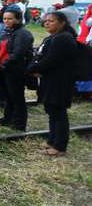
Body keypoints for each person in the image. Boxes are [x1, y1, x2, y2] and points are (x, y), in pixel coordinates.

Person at [27, 12, 78, 156]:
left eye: (51, 21)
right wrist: (35, 68)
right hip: (50, 80)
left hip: (60, 82)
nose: (47, 23)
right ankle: (52, 141)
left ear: (62, 23)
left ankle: (60, 146)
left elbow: (51, 60)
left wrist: (32, 69)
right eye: (46, 21)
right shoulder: (53, 37)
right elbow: (41, 56)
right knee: (51, 111)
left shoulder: (63, 39)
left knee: (58, 112)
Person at [0, 8, 33, 131]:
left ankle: (19, 125)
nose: (7, 21)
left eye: (10, 19)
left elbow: (18, 54)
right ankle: (7, 119)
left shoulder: (23, 34)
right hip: (4, 69)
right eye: (5, 19)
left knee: (17, 97)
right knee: (8, 96)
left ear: (18, 19)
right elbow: (2, 49)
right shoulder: (7, 32)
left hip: (16, 70)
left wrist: (2, 64)